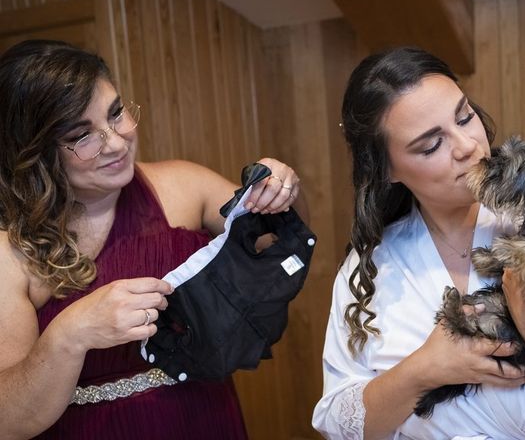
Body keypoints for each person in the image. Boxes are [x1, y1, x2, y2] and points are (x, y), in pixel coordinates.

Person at [312, 46, 525, 439]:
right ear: (385, 169)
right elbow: (338, 424)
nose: (467, 145)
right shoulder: (369, 271)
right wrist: (425, 369)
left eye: (465, 117)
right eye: (431, 145)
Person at [0, 39, 308, 439]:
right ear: (35, 152)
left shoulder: (183, 184)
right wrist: (68, 335)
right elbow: (9, 421)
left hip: (204, 419)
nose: (115, 142)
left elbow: (283, 241)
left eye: (116, 114)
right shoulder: (11, 252)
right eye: (82, 135)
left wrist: (279, 193)